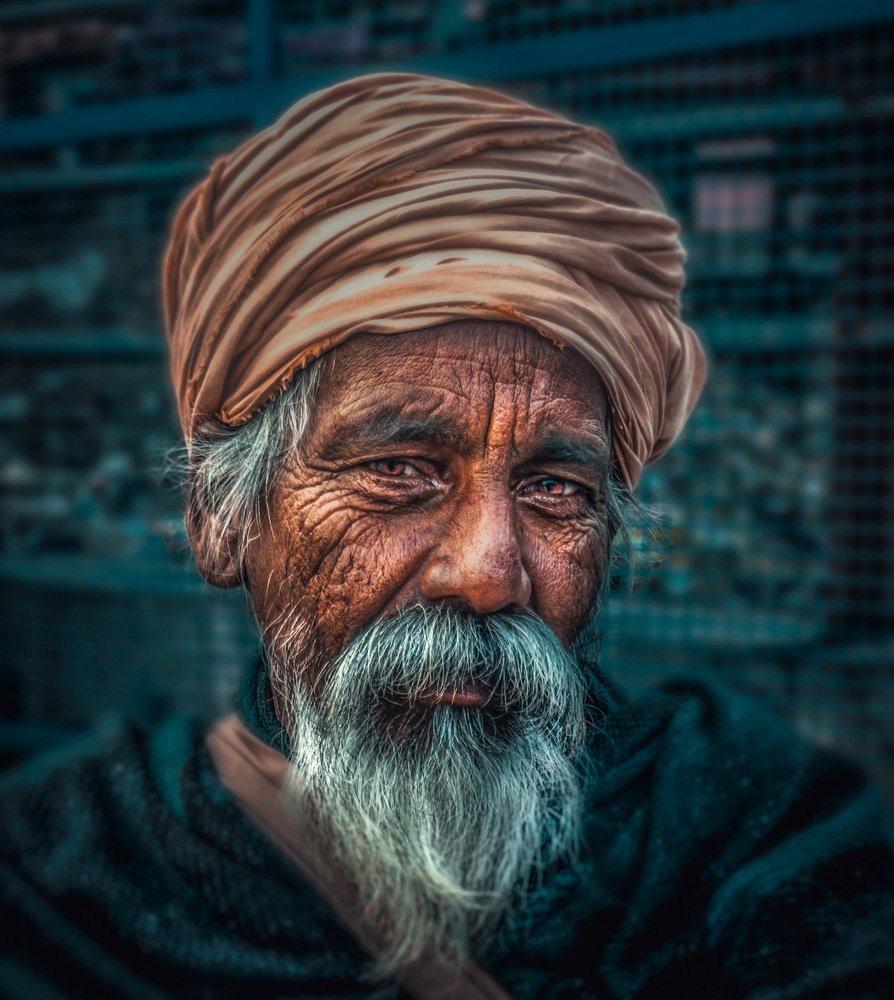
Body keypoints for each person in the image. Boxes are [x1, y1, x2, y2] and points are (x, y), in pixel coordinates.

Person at [2, 73, 892, 999]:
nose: (487, 574)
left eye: (554, 489)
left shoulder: (745, 820)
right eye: (397, 472)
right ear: (221, 521)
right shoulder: (62, 876)